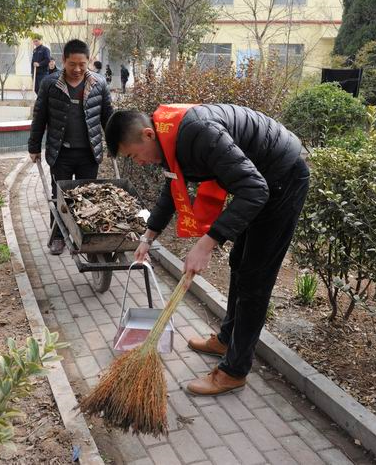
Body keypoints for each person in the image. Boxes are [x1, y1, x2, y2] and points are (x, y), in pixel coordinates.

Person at [104, 104, 309, 396]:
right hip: (260, 181)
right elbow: (171, 189)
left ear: (147, 134)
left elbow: (255, 189)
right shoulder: (166, 136)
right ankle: (226, 340)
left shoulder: (199, 132)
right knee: (240, 262)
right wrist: (148, 236)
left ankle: (234, 372)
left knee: (255, 279)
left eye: (133, 155)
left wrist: (207, 243)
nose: (138, 162)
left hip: (282, 179)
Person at [28, 39, 114, 255]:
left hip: (89, 153)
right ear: (64, 61)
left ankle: (86, 235)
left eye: (82, 64)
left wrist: (114, 143)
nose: (77, 69)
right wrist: (34, 146)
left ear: (88, 62)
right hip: (61, 153)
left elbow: (108, 118)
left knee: (87, 196)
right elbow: (39, 117)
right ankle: (58, 236)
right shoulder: (50, 84)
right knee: (60, 197)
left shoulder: (99, 84)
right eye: (72, 64)